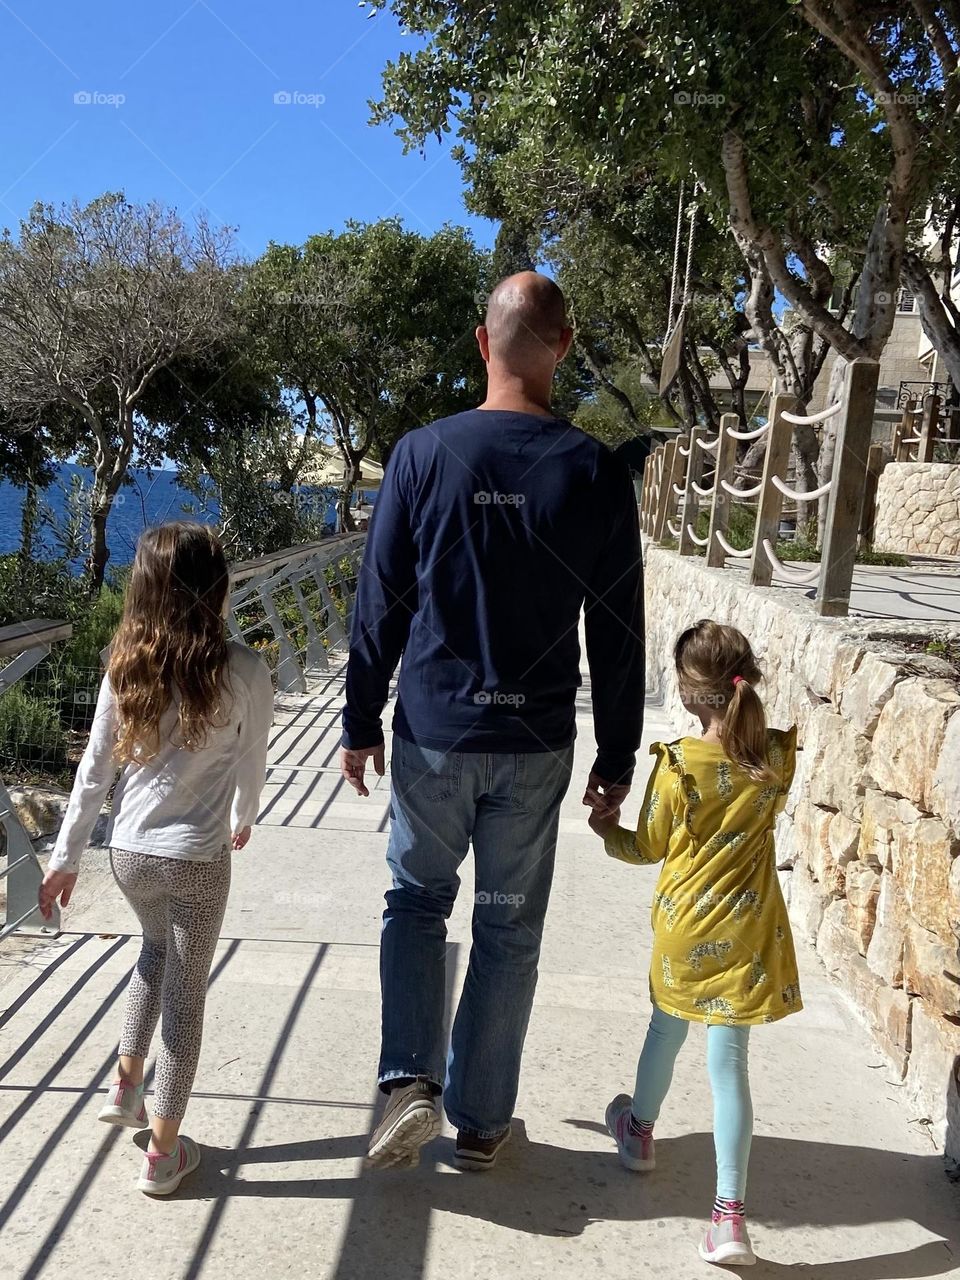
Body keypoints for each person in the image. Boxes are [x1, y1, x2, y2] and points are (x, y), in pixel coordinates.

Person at [341, 271, 644, 1171]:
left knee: (417, 904)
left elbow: (379, 601)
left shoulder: (423, 454)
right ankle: (478, 1125)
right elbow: (619, 628)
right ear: (564, 345)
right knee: (509, 924)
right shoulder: (594, 470)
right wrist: (617, 753)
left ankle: (407, 1085)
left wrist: (359, 719)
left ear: (482, 343)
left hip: (432, 735)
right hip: (536, 744)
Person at [38, 522, 274, 1196]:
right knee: (186, 995)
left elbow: (92, 772)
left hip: (129, 855)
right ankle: (164, 1155)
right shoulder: (246, 668)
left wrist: (65, 860)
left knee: (151, 951)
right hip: (196, 861)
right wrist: (243, 816)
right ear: (217, 586)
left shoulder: (126, 662)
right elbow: (252, 760)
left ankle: (126, 1084)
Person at [587, 619, 800, 1267]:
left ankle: (640, 1132)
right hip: (746, 933)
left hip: (686, 934)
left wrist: (605, 829)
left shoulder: (679, 767)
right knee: (728, 1066)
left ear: (686, 694)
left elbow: (648, 846)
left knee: (666, 1029)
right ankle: (729, 1217)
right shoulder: (777, 759)